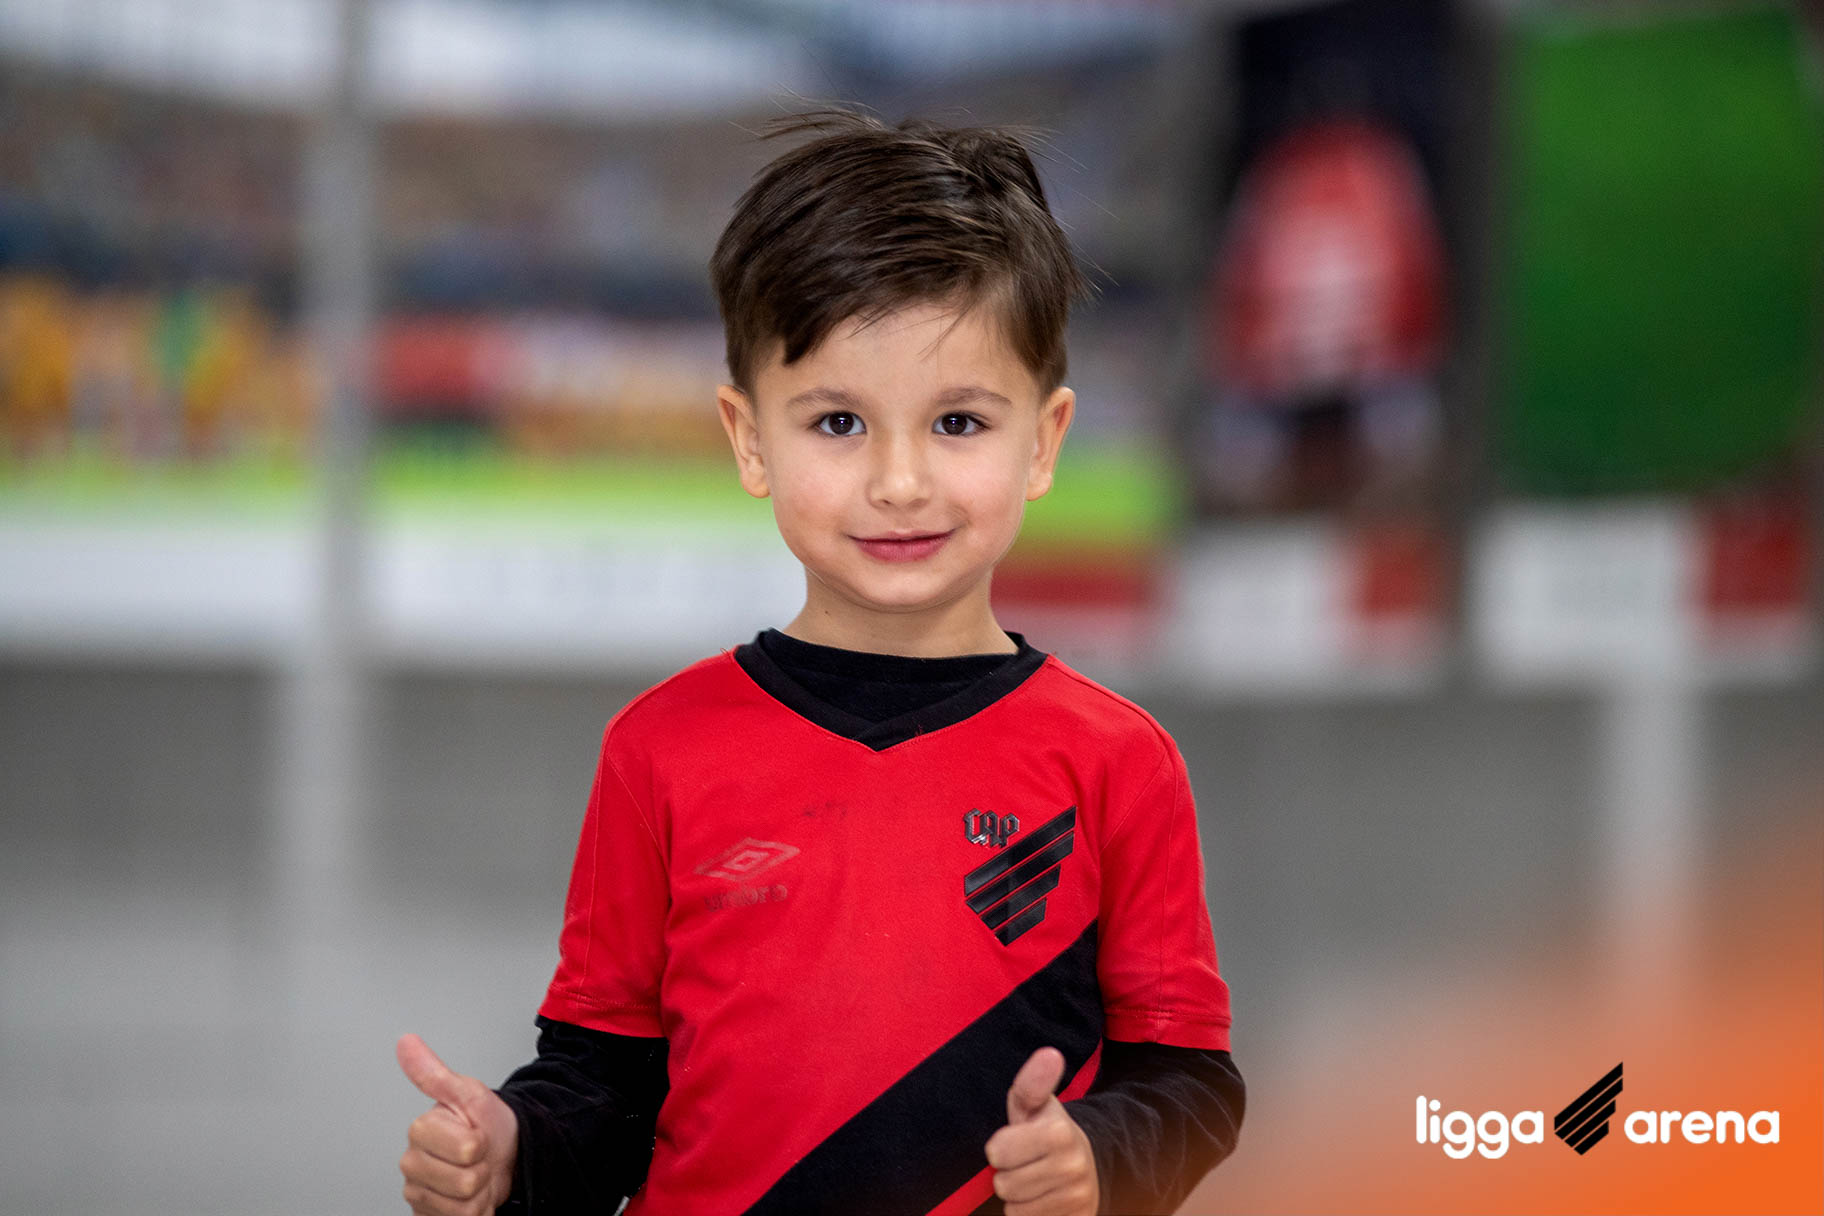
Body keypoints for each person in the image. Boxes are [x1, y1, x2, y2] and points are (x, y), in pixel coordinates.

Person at [396, 107, 1245, 1216]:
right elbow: (602, 1087)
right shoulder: (656, 750)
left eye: (958, 423)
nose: (899, 482)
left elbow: (1190, 1083)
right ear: (750, 439)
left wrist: (1097, 1156)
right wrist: (511, 1151)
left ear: (1043, 442)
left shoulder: (1120, 763)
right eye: (839, 424)